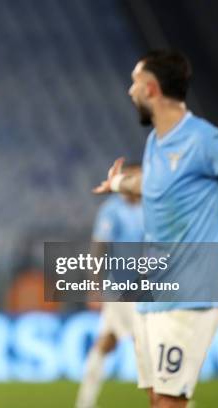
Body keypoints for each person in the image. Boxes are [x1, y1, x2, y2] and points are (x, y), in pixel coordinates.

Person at [94, 50, 218, 408]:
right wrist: (120, 183)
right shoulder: (157, 142)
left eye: (135, 83)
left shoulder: (207, 141)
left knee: (169, 403)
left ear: (152, 89)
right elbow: (156, 183)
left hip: (190, 296)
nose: (129, 91)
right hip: (153, 293)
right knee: (159, 400)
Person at [76, 164, 143, 408]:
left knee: (108, 340)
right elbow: (99, 248)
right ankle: (174, 401)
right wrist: (94, 286)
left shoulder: (152, 208)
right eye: (133, 177)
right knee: (146, 341)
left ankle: (84, 402)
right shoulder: (112, 210)